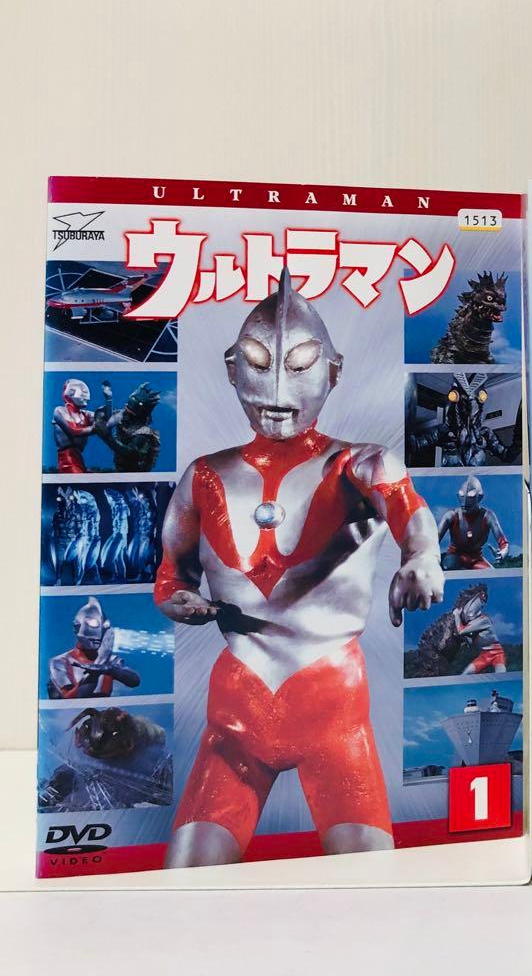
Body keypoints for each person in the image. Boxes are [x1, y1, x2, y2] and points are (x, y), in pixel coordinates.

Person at [155, 269, 443, 868]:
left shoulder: (361, 463)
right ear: (232, 367)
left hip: (331, 712)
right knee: (185, 880)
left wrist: (422, 556)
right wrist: (176, 599)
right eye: (259, 363)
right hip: (236, 714)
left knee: (369, 884)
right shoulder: (203, 477)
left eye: (301, 364)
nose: (278, 386)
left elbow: (409, 511)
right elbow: (171, 575)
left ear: (332, 371)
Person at [47, 596, 141, 699]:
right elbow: (70, 698)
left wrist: (109, 669)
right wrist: (94, 672)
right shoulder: (60, 662)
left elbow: (134, 681)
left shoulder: (109, 660)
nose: (95, 642)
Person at [438, 475, 510, 569]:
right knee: (450, 565)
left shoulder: (488, 516)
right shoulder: (451, 516)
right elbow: (433, 541)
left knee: (491, 574)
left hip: (477, 559)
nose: (465, 502)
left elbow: (504, 543)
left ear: (479, 497)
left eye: (471, 496)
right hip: (454, 556)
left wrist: (502, 552)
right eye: (462, 496)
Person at [52, 378, 96, 473]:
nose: (87, 397)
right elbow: (73, 431)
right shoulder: (60, 411)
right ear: (71, 393)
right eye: (82, 392)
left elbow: (104, 420)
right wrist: (95, 429)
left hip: (78, 457)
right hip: (67, 459)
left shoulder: (84, 414)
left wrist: (109, 400)